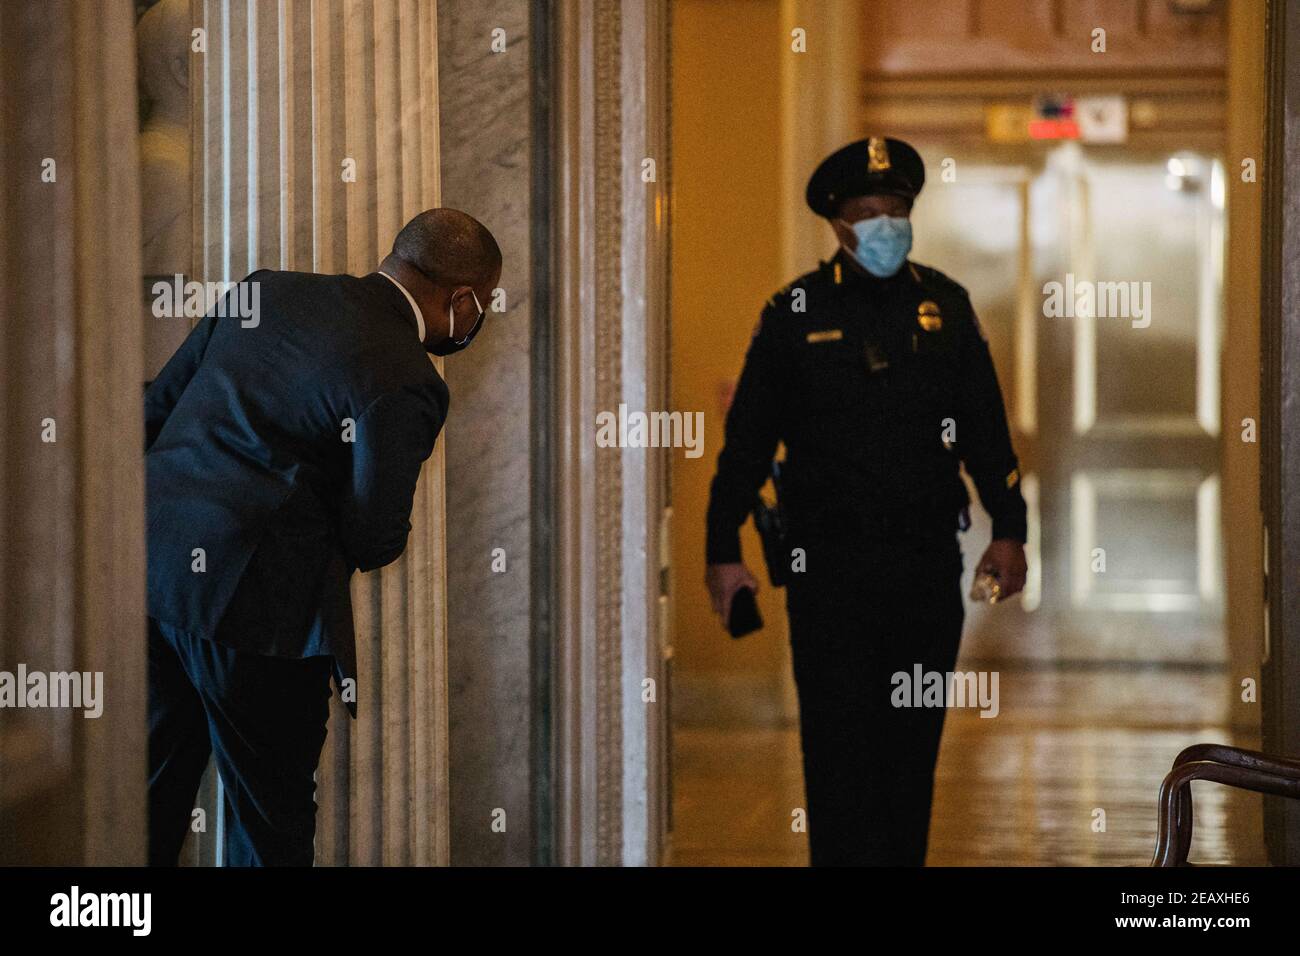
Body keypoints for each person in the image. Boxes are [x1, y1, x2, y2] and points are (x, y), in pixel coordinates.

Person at [704, 138, 1028, 866]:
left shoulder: (945, 306)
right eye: (868, 212)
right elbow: (746, 447)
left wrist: (1010, 531)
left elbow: (987, 433)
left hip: (922, 566)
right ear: (838, 224)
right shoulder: (793, 313)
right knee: (839, 751)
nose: (886, 223)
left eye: (898, 210)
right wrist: (721, 550)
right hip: (830, 571)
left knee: (910, 756)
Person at [145, 208, 501, 866]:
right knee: (268, 829)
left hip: (153, 574)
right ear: (462, 301)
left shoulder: (267, 288)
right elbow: (374, 535)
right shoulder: (407, 377)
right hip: (259, 610)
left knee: (147, 799)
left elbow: (154, 409)